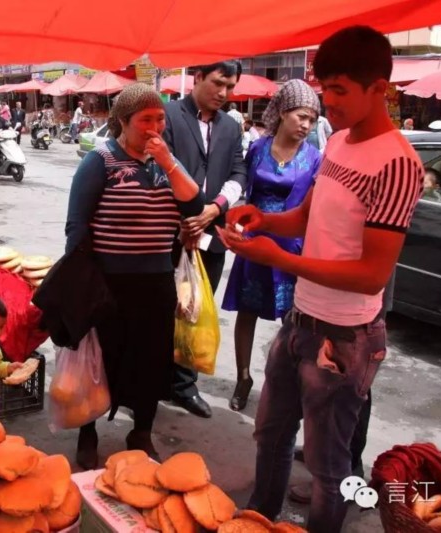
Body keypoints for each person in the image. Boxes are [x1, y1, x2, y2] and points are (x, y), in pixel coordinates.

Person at [219, 26, 424, 533]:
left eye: (339, 91)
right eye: (323, 88)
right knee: (270, 433)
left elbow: (372, 274)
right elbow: (307, 219)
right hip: (299, 319)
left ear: (379, 88)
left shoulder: (398, 164)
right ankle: (258, 518)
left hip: (346, 336)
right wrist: (264, 221)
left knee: (329, 469)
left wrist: (278, 260)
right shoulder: (335, 144)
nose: (327, 102)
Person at [65, 83, 205, 468]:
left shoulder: (167, 164)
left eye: (160, 119)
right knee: (100, 362)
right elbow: (77, 226)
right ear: (123, 122)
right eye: (146, 120)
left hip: (156, 282)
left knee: (151, 361)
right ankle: (88, 431)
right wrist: (79, 283)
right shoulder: (101, 160)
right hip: (109, 283)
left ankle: (140, 431)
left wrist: (168, 162)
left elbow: (195, 203)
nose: (155, 127)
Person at [221, 80, 323, 412]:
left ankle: (287, 388)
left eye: (312, 119)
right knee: (246, 313)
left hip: (291, 249)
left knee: (292, 322)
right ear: (281, 113)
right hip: (253, 243)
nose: (306, 125)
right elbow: (243, 189)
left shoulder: (315, 158)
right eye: (301, 116)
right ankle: (243, 377)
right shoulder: (257, 150)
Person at [163, 60, 248, 419]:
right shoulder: (167, 115)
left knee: (195, 309)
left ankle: (184, 384)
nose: (224, 93)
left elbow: (239, 170)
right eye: (218, 83)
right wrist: (186, 215)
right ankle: (152, 381)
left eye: (230, 87)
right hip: (168, 231)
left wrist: (215, 208)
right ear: (196, 78)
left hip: (211, 233)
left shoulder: (230, 126)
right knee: (162, 308)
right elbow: (157, 168)